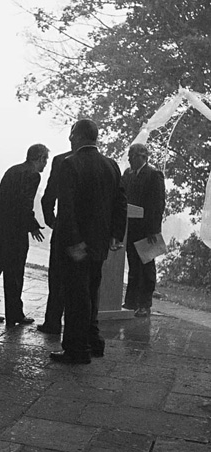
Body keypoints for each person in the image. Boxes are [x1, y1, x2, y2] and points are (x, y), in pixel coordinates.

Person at [50, 119, 127, 364]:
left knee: (75, 296)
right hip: (100, 242)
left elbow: (67, 208)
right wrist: (116, 234)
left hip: (77, 244)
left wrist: (73, 241)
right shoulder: (111, 165)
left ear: (80, 136)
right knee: (92, 292)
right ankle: (94, 340)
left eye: (72, 134)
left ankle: (76, 349)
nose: (70, 139)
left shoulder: (69, 164)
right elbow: (120, 203)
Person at [0, 144, 49, 326]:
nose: (45, 164)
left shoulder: (12, 170)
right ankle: (14, 313)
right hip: (16, 231)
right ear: (39, 158)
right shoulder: (33, 175)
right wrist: (32, 225)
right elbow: (25, 203)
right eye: (45, 160)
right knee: (15, 273)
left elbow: (3, 196)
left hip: (0, 227)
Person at [122, 143, 165, 317]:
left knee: (146, 266)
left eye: (132, 155)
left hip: (147, 229)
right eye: (129, 156)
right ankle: (131, 301)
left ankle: (145, 303)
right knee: (133, 265)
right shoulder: (127, 174)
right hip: (129, 228)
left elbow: (158, 203)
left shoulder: (154, 175)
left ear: (142, 156)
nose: (130, 159)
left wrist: (153, 229)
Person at [37, 149, 72, 335]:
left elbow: (49, 196)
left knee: (57, 276)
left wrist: (52, 221)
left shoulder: (61, 160)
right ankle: (82, 327)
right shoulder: (107, 164)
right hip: (90, 232)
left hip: (64, 227)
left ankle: (53, 321)